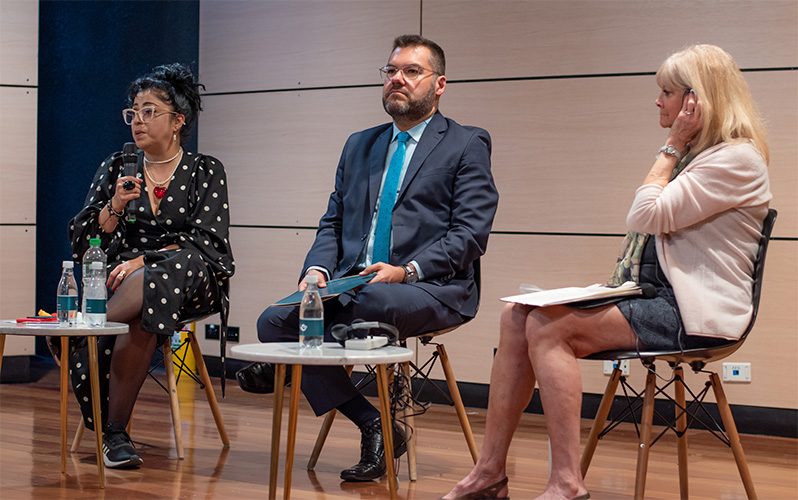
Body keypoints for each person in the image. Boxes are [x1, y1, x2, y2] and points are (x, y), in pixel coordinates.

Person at [440, 44, 771, 500]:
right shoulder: (701, 157)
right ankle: (489, 472)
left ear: (696, 102)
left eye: (667, 92)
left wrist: (671, 144)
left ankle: (567, 483)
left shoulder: (734, 159)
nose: (658, 101)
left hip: (692, 312)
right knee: (515, 317)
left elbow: (645, 214)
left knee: (549, 328)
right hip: (654, 297)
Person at [239, 34, 499, 482]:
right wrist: (317, 271)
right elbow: (332, 222)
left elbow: (470, 235)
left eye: (411, 71)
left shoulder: (466, 143)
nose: (397, 78)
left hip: (431, 286)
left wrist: (405, 271)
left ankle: (292, 361)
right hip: (352, 285)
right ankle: (374, 423)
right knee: (274, 320)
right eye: (391, 70)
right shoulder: (359, 144)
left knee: (367, 309)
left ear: (439, 85)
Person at [67, 63, 234, 469]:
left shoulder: (204, 171)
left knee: (158, 276)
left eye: (148, 111)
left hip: (196, 276)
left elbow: (205, 242)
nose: (137, 121)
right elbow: (85, 240)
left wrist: (144, 260)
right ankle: (116, 435)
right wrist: (116, 205)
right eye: (133, 112)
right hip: (135, 290)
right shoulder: (116, 168)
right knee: (147, 309)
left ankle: (83, 331)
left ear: (177, 120)